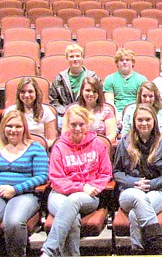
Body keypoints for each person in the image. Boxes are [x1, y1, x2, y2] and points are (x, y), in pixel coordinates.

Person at [0, 111, 48, 257]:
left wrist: (15, 189)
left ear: (24, 128)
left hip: (25, 195)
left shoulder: (36, 148)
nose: (13, 130)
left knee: (14, 224)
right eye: (9, 126)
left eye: (18, 126)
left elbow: (41, 177)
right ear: (3, 127)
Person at [41, 106, 112, 257]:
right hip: (59, 194)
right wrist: (81, 187)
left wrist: (90, 188)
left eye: (81, 124)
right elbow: (56, 179)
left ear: (87, 124)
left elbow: (105, 173)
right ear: (67, 125)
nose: (78, 128)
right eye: (73, 125)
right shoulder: (59, 146)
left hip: (88, 197)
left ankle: (49, 251)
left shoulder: (98, 144)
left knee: (73, 201)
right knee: (71, 218)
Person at [113, 104, 162, 255]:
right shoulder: (125, 141)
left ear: (154, 121)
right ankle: (157, 246)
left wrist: (152, 184)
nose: (144, 123)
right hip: (129, 192)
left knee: (135, 214)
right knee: (138, 197)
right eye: (140, 120)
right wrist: (133, 183)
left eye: (148, 119)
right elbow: (116, 172)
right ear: (134, 122)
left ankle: (137, 251)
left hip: (157, 192)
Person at [50, 44, 100, 119]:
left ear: (82, 58)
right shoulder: (59, 79)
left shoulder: (93, 77)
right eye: (71, 56)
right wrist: (67, 111)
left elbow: (99, 98)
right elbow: (53, 101)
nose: (75, 59)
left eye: (78, 56)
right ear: (66, 59)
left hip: (88, 113)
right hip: (64, 114)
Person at [4, 77, 57, 146]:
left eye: (30, 91)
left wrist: (38, 149)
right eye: (23, 92)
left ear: (36, 93)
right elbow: (4, 138)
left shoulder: (46, 111)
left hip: (38, 150)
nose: (26, 95)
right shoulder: (11, 111)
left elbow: (51, 140)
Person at [103, 48, 148, 116]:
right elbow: (110, 103)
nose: (124, 62)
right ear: (117, 63)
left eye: (127, 60)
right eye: (121, 60)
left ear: (132, 62)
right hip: (116, 112)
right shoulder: (109, 79)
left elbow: (142, 102)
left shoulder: (141, 79)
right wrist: (116, 116)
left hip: (136, 112)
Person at [75, 77, 117, 142]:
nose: (91, 94)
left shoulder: (107, 111)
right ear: (82, 91)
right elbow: (65, 134)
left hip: (99, 148)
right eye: (88, 90)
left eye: (95, 91)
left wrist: (95, 145)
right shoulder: (73, 110)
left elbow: (111, 136)